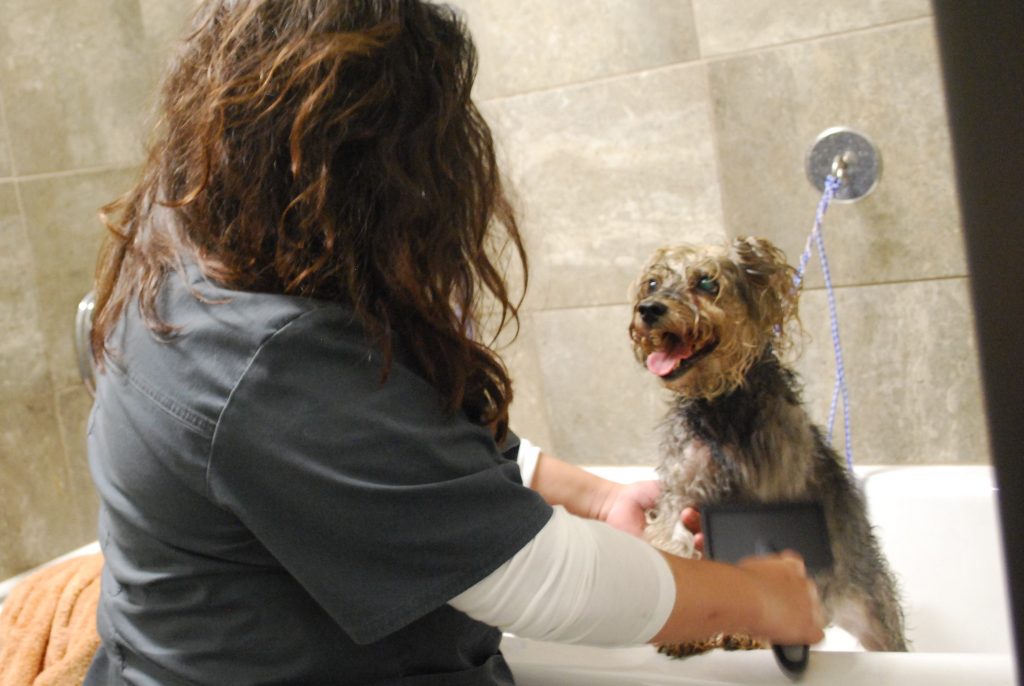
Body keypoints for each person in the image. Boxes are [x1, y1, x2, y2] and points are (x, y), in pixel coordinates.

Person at [83, 2, 824, 684]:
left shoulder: (190, 248)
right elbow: (542, 580)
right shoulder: (271, 361)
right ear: (376, 164)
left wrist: (599, 498)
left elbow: (394, 450)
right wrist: (762, 598)